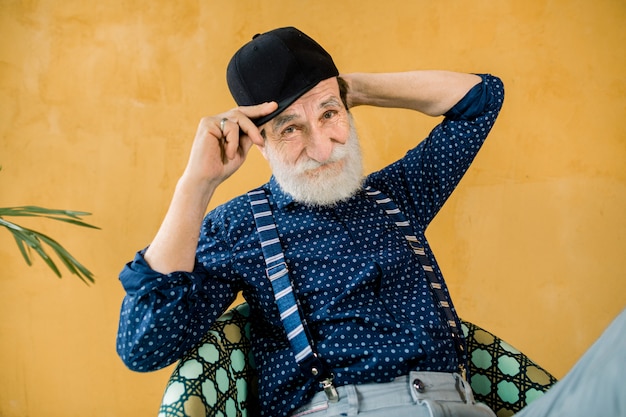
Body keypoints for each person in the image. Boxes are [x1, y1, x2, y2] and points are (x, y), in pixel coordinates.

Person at [116, 27, 623, 417]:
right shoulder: (240, 226)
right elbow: (144, 345)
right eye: (290, 128)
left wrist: (351, 86)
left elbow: (480, 100)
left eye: (330, 115)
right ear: (259, 142)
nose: (322, 146)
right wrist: (196, 185)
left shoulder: (394, 194)